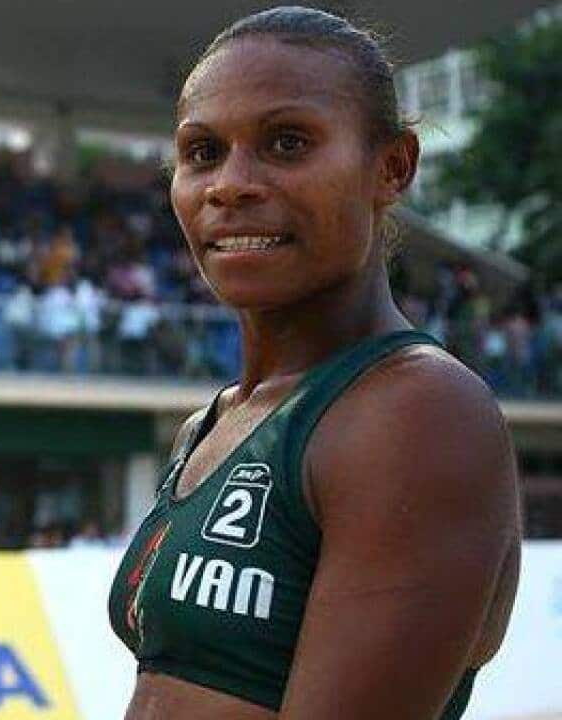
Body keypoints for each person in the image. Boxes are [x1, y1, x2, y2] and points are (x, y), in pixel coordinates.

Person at [107, 8, 520, 719]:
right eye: (202, 152)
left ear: (392, 167)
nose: (229, 184)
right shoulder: (211, 424)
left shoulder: (418, 413)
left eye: (286, 143)